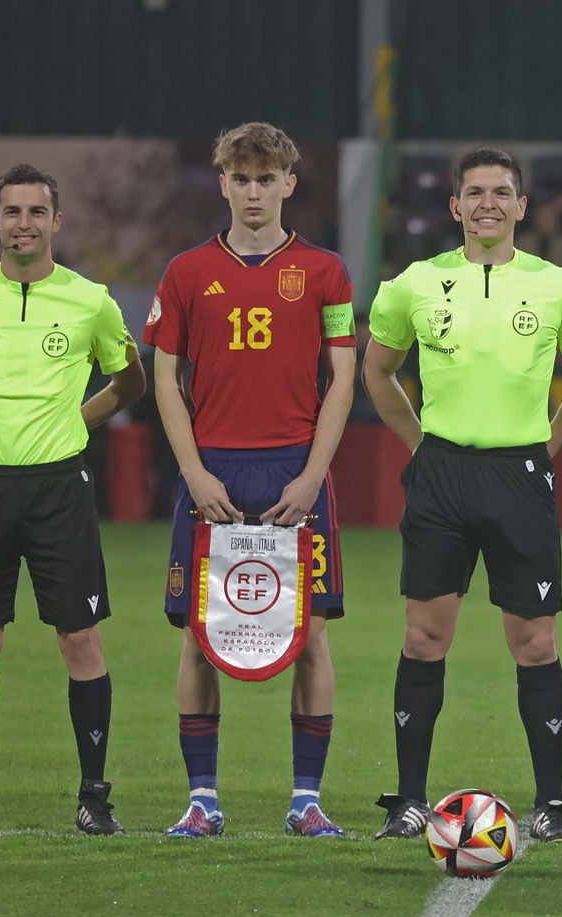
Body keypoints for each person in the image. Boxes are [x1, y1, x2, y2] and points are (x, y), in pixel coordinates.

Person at [362, 148, 562, 842]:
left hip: (519, 475)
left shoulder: (557, 287)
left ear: (522, 207)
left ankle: (552, 806)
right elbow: (377, 372)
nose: (489, 204)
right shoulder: (413, 284)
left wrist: (550, 443)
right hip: (440, 476)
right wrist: (418, 445)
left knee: (534, 642)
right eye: (475, 193)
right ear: (455, 206)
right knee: (423, 636)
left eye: (502, 192)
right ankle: (410, 801)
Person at [144, 122, 357, 839]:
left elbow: (343, 379)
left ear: (289, 184)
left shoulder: (326, 272)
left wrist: (313, 475)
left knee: (313, 634)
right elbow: (165, 378)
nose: (255, 191)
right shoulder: (184, 273)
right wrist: (193, 470)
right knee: (199, 638)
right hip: (215, 475)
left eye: (268, 179)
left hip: (296, 473)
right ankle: (202, 799)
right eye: (242, 179)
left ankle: (306, 801)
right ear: (224, 184)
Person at [0, 163, 145, 833]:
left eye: (36, 212)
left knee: (80, 640)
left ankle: (94, 798)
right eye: (12, 211)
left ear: (56, 221)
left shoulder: (90, 300)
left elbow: (129, 380)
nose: (23, 223)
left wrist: (81, 420)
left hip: (58, 489)